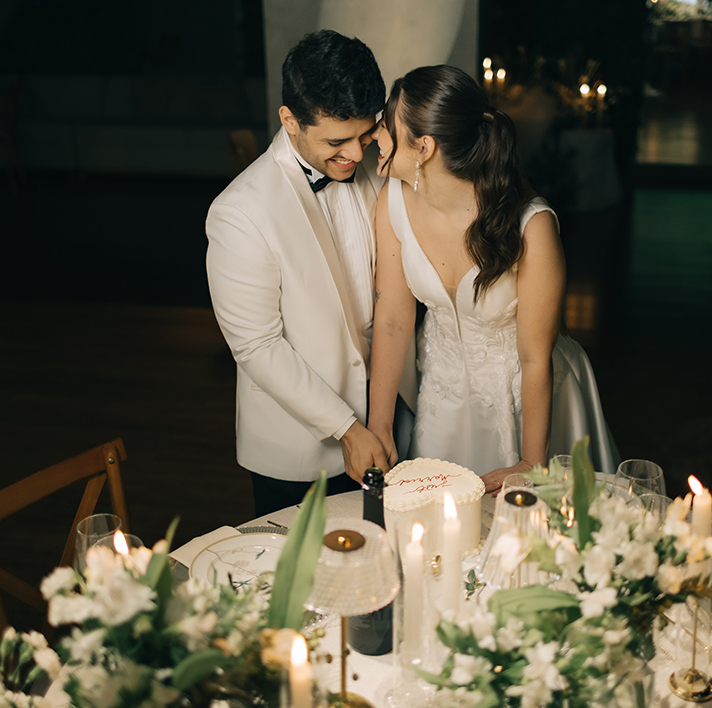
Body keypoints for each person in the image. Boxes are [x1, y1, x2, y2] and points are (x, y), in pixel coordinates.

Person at [367, 65, 618, 493]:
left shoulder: (530, 225)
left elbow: (536, 357)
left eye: (388, 123)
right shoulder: (391, 202)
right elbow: (392, 319)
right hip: (442, 396)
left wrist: (530, 462)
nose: (374, 134)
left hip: (528, 400)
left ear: (424, 147)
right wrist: (380, 426)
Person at [205, 30, 413, 516]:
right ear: (289, 119)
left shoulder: (374, 167)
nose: (355, 155)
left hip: (392, 420)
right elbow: (257, 345)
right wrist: (346, 427)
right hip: (299, 450)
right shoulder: (240, 211)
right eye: (336, 142)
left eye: (364, 136)